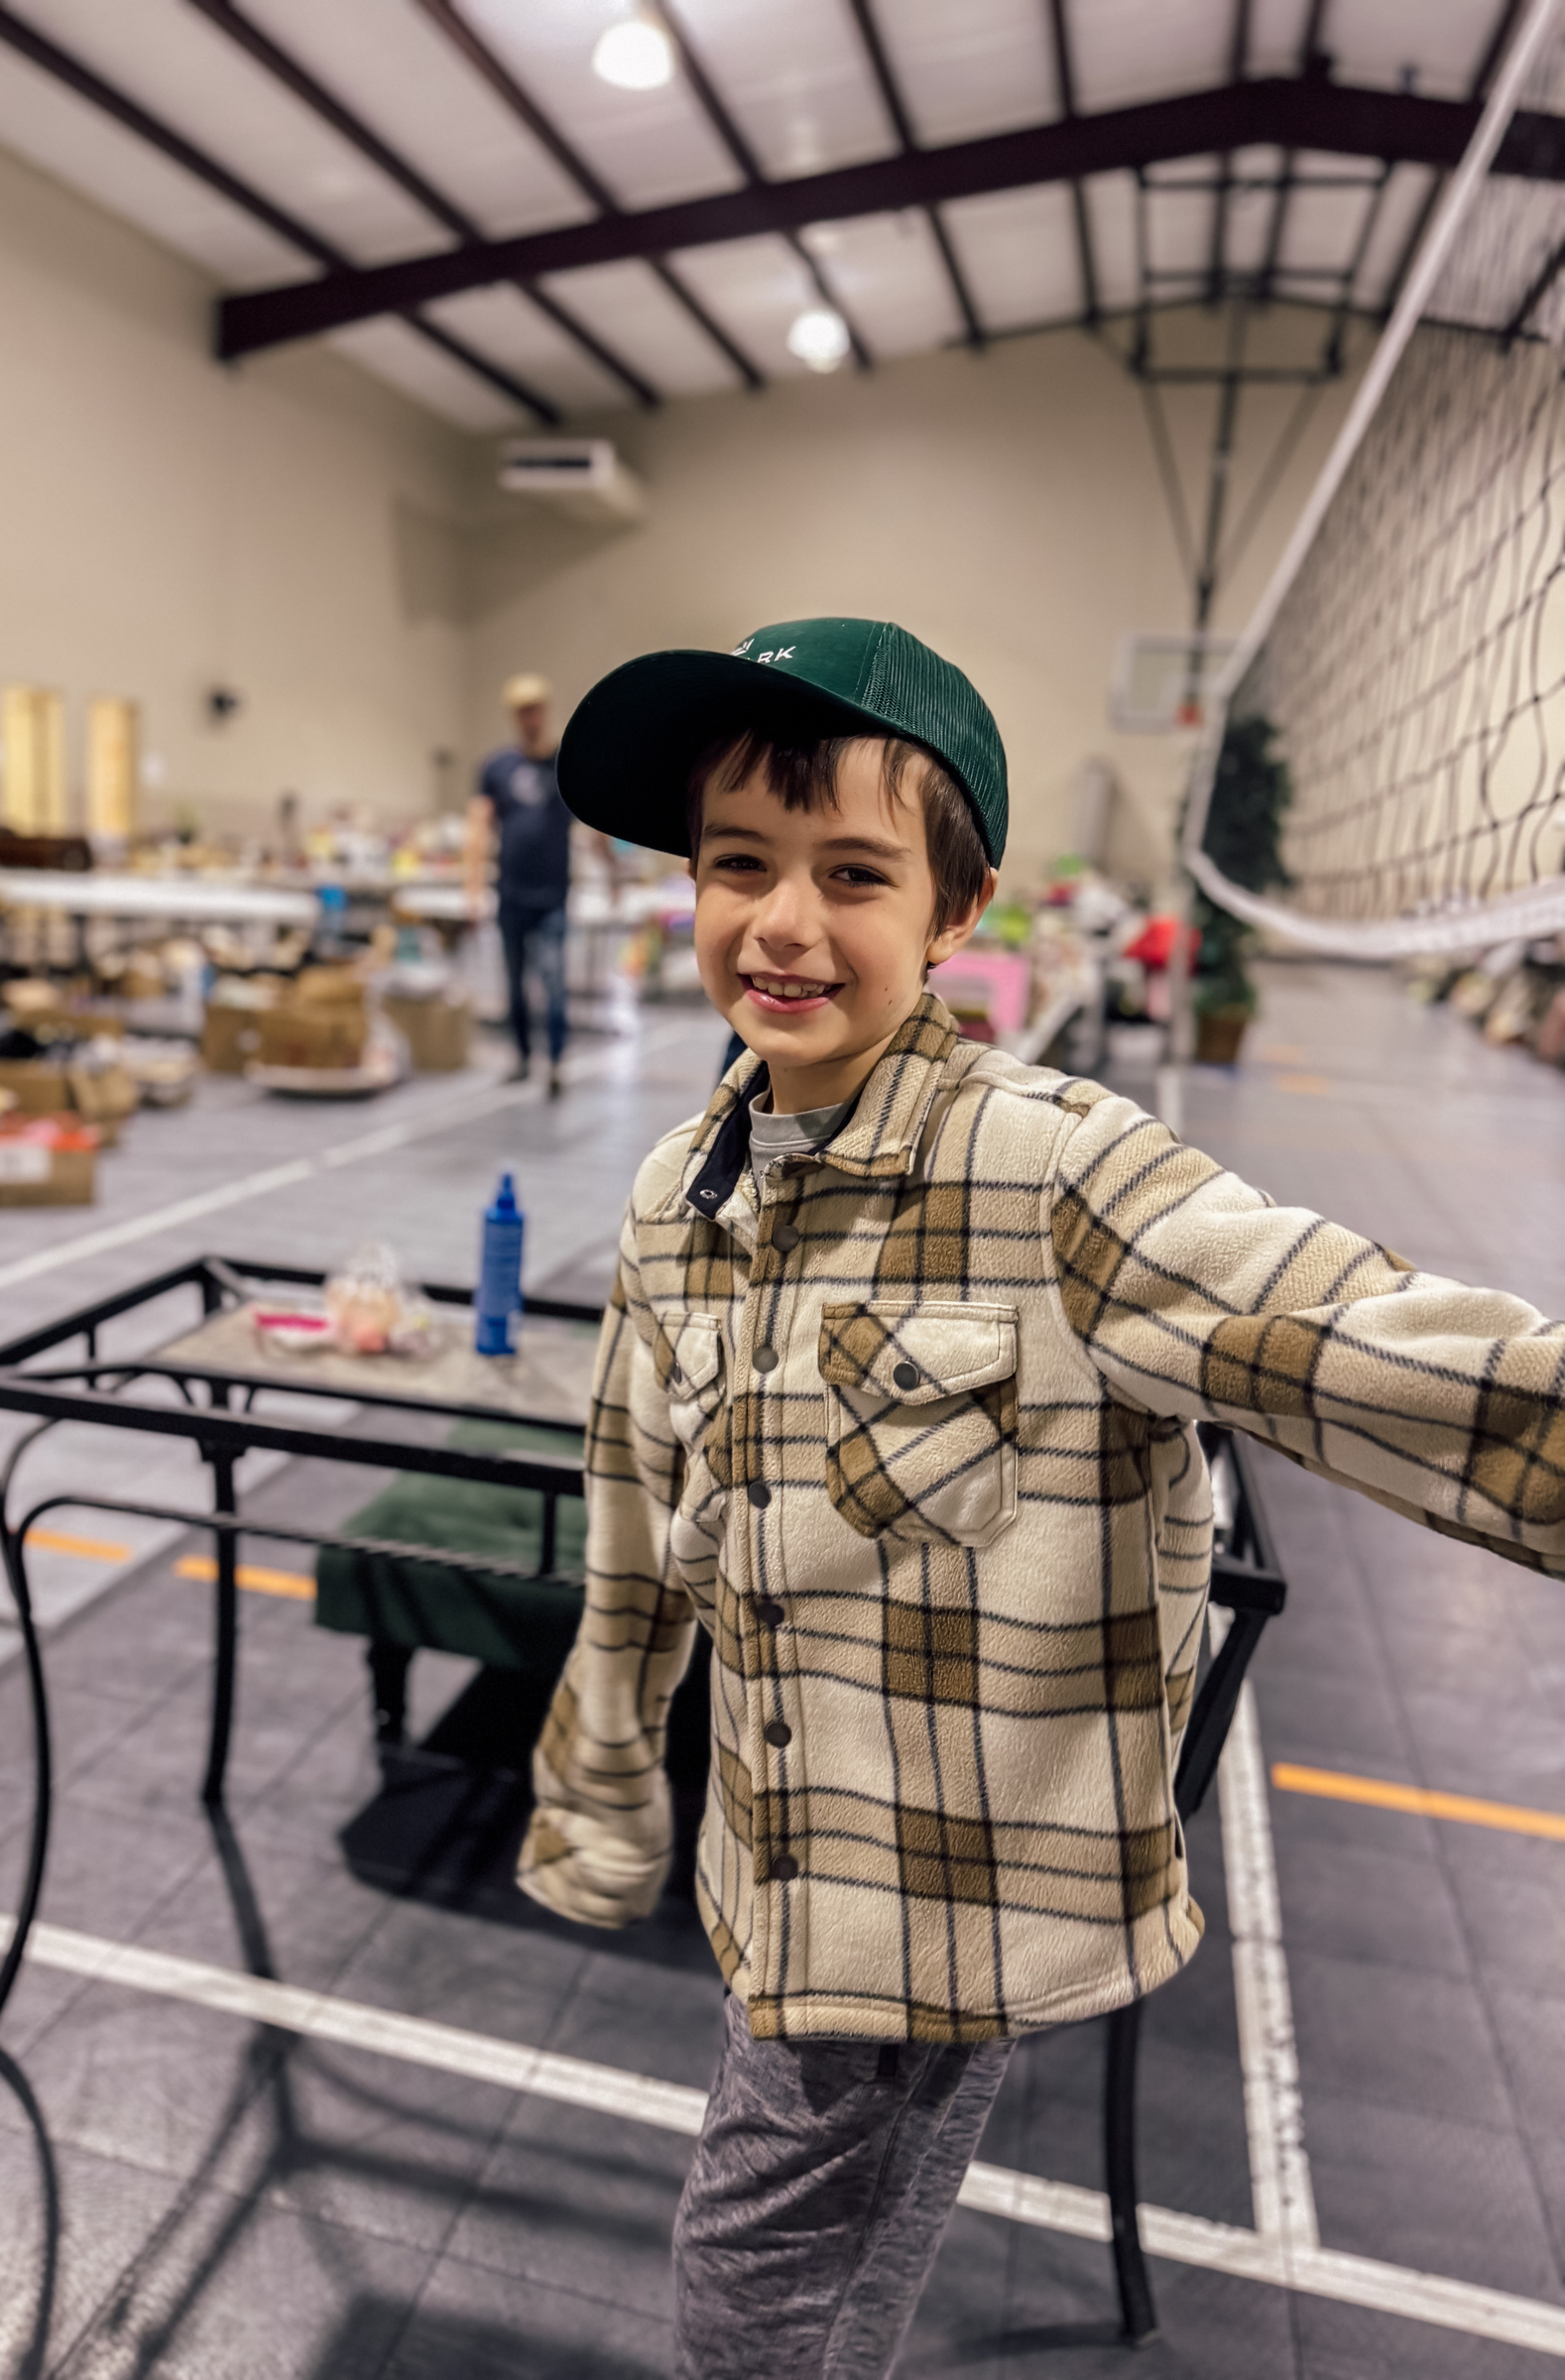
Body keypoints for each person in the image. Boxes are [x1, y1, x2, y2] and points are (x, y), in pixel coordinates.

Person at [519, 616, 1565, 2378]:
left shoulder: (1058, 1172)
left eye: (851, 873)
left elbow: (1363, 1346)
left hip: (935, 1915)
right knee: (788, 2309)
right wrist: (604, 1795)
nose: (779, 923)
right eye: (736, 865)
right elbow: (635, 1528)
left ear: (958, 913)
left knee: (749, 2308)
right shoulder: (674, 1196)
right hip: (768, 1875)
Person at [467, 670, 572, 1099]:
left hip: (553, 897)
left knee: (553, 982)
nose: (531, 717)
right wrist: (471, 884)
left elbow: (594, 822)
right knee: (514, 984)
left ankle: (556, 1064)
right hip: (510, 894)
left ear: (544, 712)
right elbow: (479, 826)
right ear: (515, 715)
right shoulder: (497, 767)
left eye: (536, 708)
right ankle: (522, 1058)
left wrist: (615, 872)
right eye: (522, 710)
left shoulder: (564, 765)